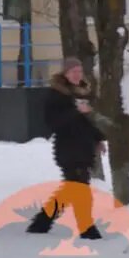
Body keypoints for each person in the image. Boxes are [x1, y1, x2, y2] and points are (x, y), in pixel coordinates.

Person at [27, 57, 106, 239]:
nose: (77, 75)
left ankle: (42, 223)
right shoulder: (57, 95)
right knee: (80, 189)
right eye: (73, 72)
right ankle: (87, 229)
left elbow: (86, 122)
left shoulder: (83, 93)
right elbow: (53, 123)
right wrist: (76, 111)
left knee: (71, 190)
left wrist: (98, 139)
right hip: (68, 149)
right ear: (65, 73)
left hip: (84, 148)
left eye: (79, 71)